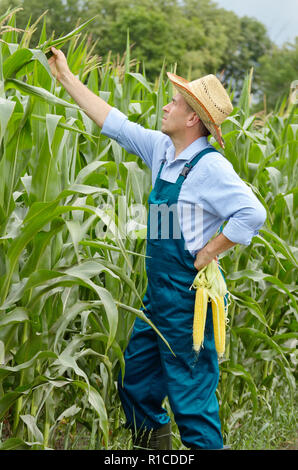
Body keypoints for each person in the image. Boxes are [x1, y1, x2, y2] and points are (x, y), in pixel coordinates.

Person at [48, 46, 266, 450]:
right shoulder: (165, 153)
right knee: (137, 388)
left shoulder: (210, 167)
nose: (165, 106)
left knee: (192, 405)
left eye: (175, 102)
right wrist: (66, 78)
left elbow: (252, 214)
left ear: (192, 119)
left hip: (186, 303)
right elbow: (114, 122)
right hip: (157, 301)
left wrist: (210, 251)